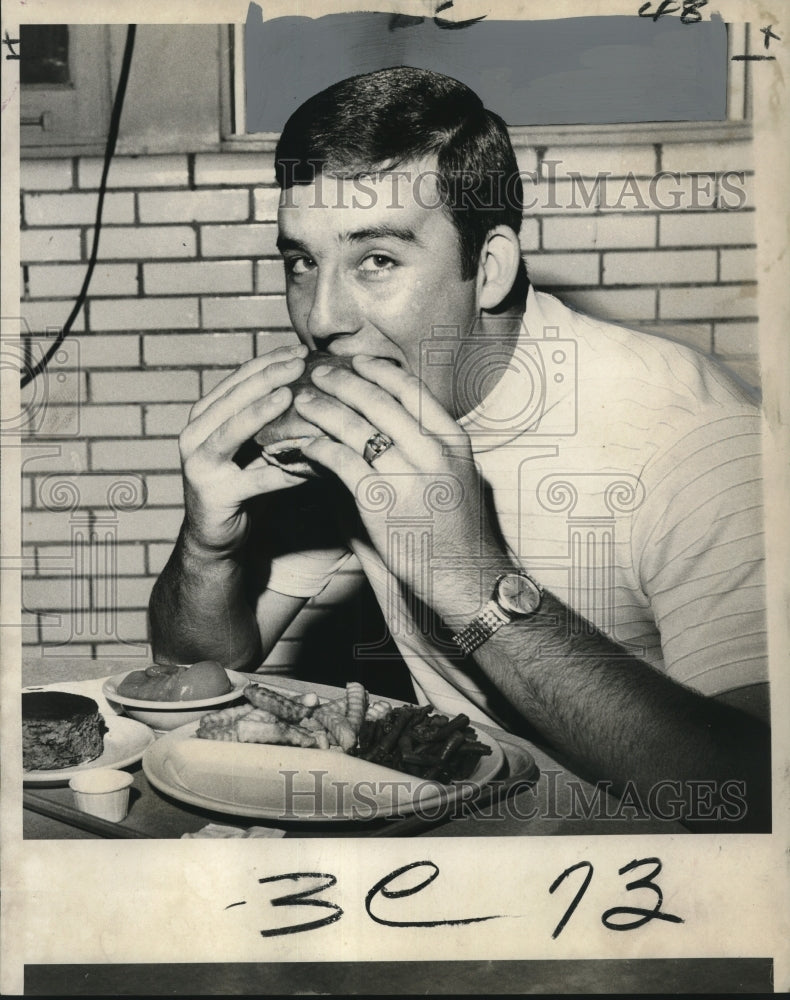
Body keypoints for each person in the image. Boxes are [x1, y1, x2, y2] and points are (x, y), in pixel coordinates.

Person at [149, 66, 770, 829]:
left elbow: (757, 791)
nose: (321, 317)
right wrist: (208, 546)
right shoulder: (357, 411)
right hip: (448, 840)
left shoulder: (695, 439)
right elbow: (197, 670)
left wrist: (476, 585)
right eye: (302, 261)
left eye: (376, 259)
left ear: (490, 269)